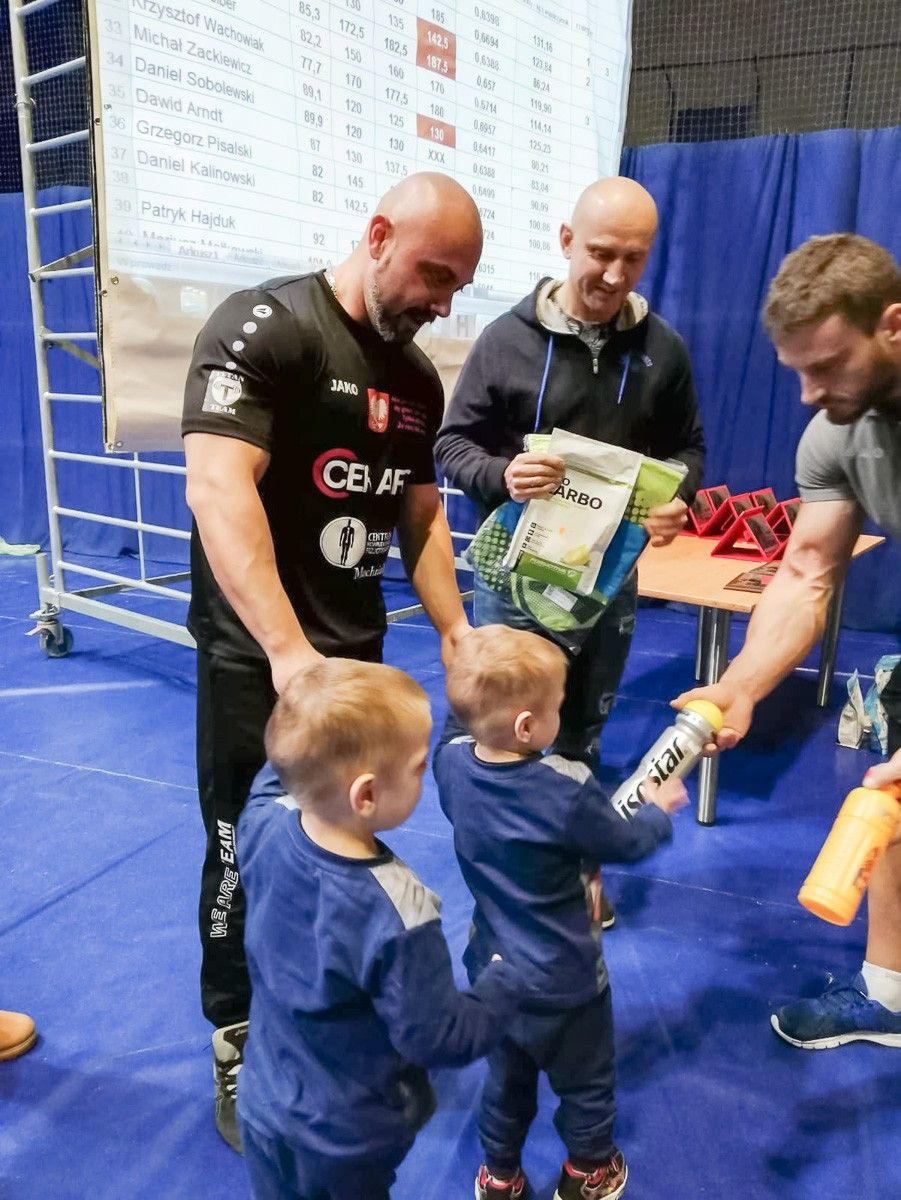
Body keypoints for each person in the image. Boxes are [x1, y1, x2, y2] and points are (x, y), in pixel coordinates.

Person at [181, 172, 484, 1149]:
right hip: (255, 659)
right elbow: (218, 486)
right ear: (379, 233)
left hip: (355, 662)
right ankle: (237, 1034)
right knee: (242, 846)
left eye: (458, 287)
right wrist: (285, 655)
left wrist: (455, 631)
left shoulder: (416, 379)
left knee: (346, 848)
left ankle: (325, 1016)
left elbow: (421, 513)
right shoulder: (267, 327)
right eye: (434, 274)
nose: (443, 301)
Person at [674, 233, 901, 1050]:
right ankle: (889, 992)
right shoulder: (835, 433)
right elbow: (804, 573)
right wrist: (737, 686)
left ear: (893, 327)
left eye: (828, 365)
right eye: (794, 370)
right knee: (892, 804)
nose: (807, 393)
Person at [435, 176, 705, 777]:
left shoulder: (665, 350)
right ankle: (503, 859)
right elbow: (452, 444)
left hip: (609, 581)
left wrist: (677, 495)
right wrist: (504, 475)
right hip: (515, 579)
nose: (614, 275)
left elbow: (687, 447)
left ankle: (573, 859)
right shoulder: (505, 341)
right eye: (601, 253)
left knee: (581, 730)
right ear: (566, 240)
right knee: (501, 729)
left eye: (632, 258)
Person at [236, 658, 523, 1200]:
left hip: (264, 1105)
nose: (424, 773)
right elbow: (438, 1036)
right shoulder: (397, 911)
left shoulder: (264, 824)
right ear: (365, 795)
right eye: (417, 766)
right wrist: (505, 981)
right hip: (348, 1137)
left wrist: (313, 704)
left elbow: (274, 775)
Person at [434, 625, 687, 1200]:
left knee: (505, 1080)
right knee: (588, 1083)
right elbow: (623, 841)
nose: (559, 715)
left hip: (493, 970)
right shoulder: (564, 791)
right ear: (529, 727)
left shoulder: (452, 769)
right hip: (565, 978)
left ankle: (499, 1176)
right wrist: (659, 808)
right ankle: (587, 1173)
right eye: (555, 707)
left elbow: (457, 724)